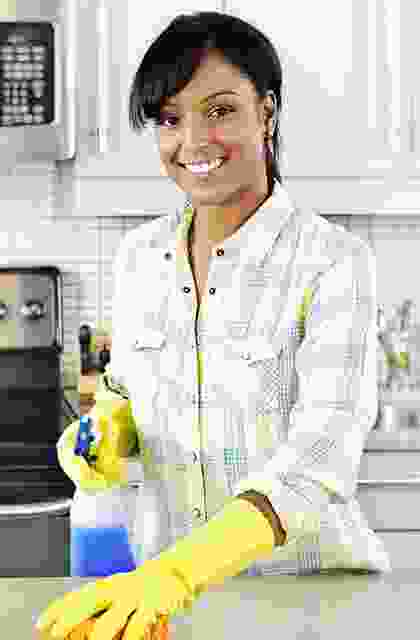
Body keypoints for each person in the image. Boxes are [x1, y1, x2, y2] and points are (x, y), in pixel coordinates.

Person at [36, 10, 391, 640]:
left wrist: (179, 572)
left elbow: (317, 462)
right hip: (161, 607)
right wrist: (111, 428)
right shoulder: (139, 258)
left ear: (267, 113)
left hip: (305, 603)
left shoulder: (333, 262)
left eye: (220, 111)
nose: (193, 141)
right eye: (170, 119)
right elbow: (125, 389)